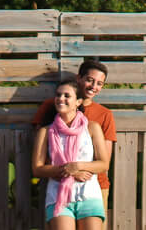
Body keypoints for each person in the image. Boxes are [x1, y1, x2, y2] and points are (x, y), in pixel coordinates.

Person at [31, 59, 116, 198]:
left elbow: (104, 159)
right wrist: (71, 172)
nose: (93, 86)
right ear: (79, 78)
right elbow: (42, 154)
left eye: (99, 83)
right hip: (58, 183)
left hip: (95, 185)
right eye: (90, 80)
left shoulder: (104, 114)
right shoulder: (52, 106)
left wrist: (78, 169)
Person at [32, 78, 109, 230]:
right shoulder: (45, 132)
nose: (61, 99)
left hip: (88, 194)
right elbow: (37, 169)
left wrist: (77, 166)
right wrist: (72, 173)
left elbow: (103, 164)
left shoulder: (92, 128)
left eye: (67, 96)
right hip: (58, 197)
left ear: (78, 102)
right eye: (58, 95)